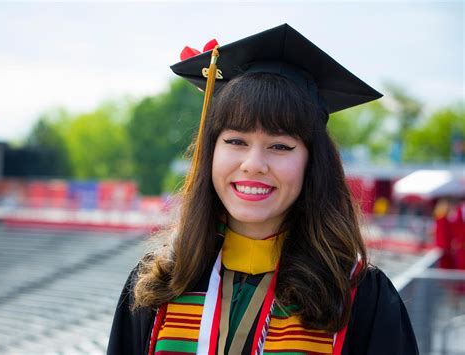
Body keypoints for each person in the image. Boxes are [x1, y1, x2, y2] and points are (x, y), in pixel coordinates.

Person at [108, 24, 418, 355]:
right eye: (236, 141)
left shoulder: (359, 298)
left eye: (281, 146)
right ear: (210, 152)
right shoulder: (159, 286)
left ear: (312, 164)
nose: (254, 164)